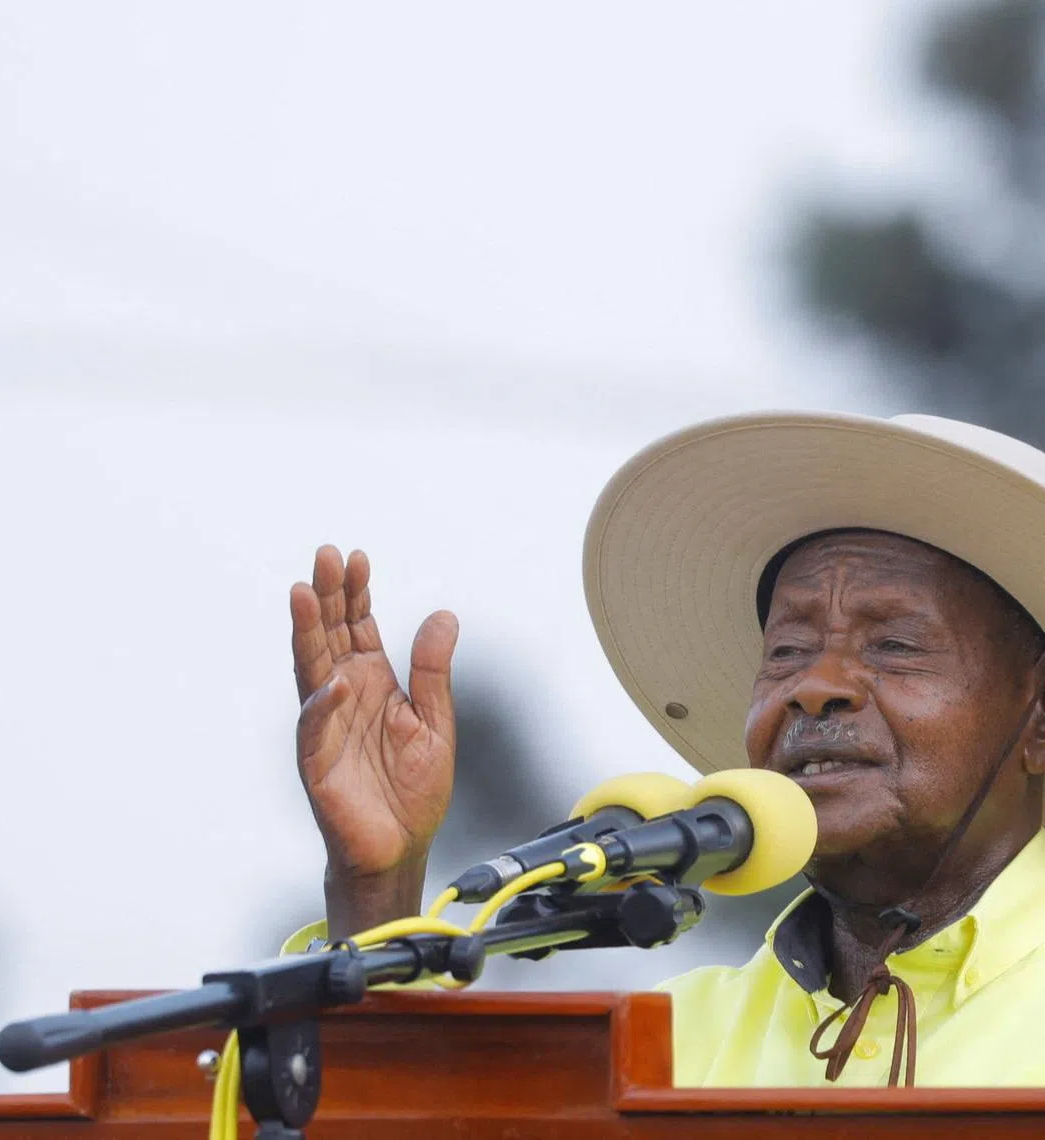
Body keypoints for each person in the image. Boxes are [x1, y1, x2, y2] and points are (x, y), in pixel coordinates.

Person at [286, 411, 1045, 1088]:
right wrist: (377, 886)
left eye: (895, 644)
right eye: (786, 650)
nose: (815, 686)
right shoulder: (667, 1046)